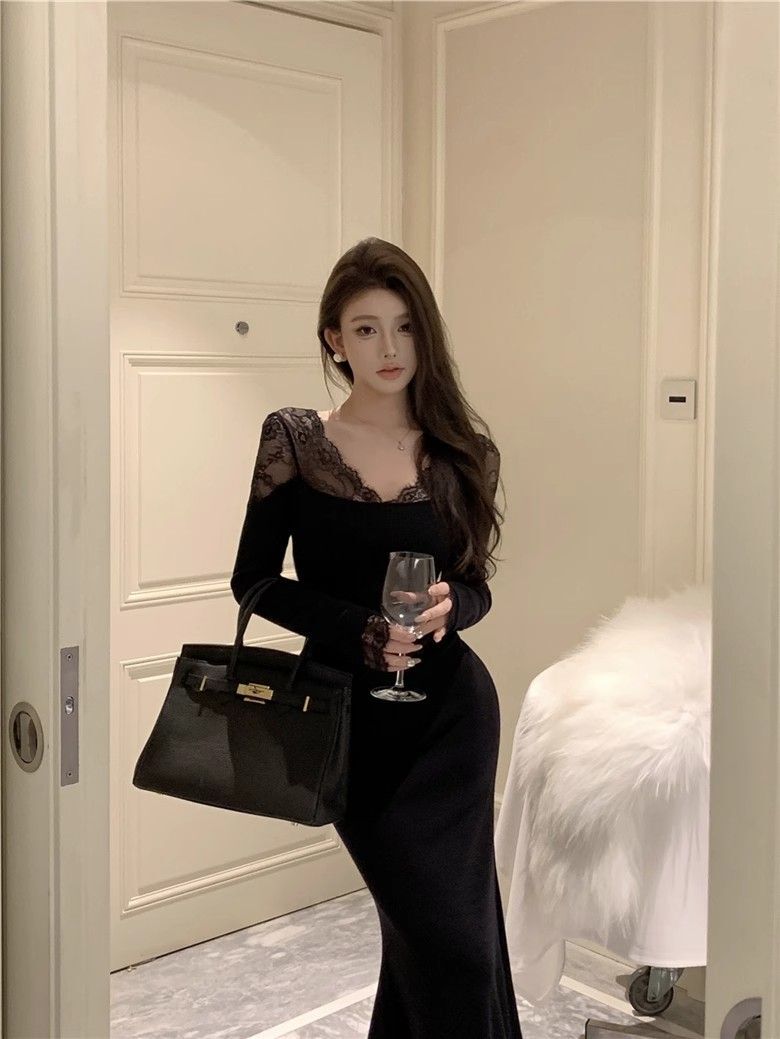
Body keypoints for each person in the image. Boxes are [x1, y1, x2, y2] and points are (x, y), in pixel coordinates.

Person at [230, 237, 523, 1037]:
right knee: (446, 945)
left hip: (452, 721)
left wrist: (452, 608)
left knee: (445, 945)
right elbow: (253, 581)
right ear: (334, 339)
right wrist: (361, 629)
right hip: (347, 726)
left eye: (405, 326)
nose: (389, 347)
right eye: (366, 328)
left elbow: (477, 584)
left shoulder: (464, 450)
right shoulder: (294, 439)